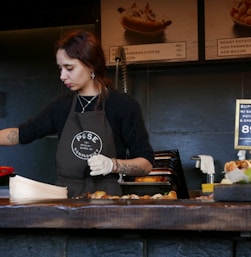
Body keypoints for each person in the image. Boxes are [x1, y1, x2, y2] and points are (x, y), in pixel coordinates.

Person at [0, 29, 154, 198]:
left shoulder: (123, 106)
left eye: (69, 68)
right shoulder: (61, 106)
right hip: (66, 199)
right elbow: (22, 133)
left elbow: (146, 164)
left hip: (106, 199)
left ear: (91, 65)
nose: (62, 76)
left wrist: (113, 165)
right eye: (60, 68)